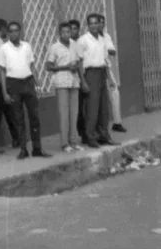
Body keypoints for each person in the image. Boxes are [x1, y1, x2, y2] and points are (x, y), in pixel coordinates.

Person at [0, 21, 52, 160]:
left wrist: (38, 84)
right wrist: (4, 92)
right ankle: (23, 149)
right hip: (13, 84)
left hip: (28, 82)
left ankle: (37, 148)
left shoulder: (27, 46)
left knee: (34, 116)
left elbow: (32, 66)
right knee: (18, 118)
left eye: (16, 30)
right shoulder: (3, 49)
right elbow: (2, 72)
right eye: (11, 31)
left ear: (20, 32)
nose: (13, 33)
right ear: (8, 33)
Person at [77, 14, 120, 147]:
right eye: (91, 23)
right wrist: (83, 81)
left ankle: (104, 135)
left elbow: (106, 60)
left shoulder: (102, 40)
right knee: (92, 107)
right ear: (87, 25)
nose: (94, 25)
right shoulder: (83, 40)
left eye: (96, 23)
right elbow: (79, 62)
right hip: (90, 74)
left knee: (103, 107)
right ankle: (91, 136)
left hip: (101, 73)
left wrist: (109, 79)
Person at [46, 22, 87, 153]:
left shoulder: (75, 45)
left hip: (74, 82)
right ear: (59, 33)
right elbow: (49, 66)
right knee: (64, 114)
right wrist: (65, 67)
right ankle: (65, 143)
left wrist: (82, 80)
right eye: (63, 32)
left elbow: (79, 63)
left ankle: (74, 141)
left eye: (68, 32)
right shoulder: (55, 47)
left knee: (74, 113)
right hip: (62, 82)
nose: (66, 34)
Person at [0, 18, 19, 149]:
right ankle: (16, 139)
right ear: (2, 30)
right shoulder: (1, 45)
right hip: (2, 78)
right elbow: (4, 66)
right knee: (9, 111)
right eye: (6, 30)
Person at [97, 15, 126, 133]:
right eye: (99, 22)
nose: (101, 25)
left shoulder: (106, 36)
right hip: (96, 70)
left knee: (115, 93)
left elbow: (111, 50)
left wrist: (110, 50)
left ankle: (117, 122)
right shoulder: (90, 38)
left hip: (107, 68)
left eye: (103, 23)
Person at [68, 19, 88, 143]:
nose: (72, 32)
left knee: (85, 108)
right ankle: (80, 133)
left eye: (75, 29)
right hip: (73, 80)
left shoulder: (82, 43)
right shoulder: (67, 45)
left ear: (78, 30)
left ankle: (87, 132)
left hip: (85, 77)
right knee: (78, 108)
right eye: (70, 29)